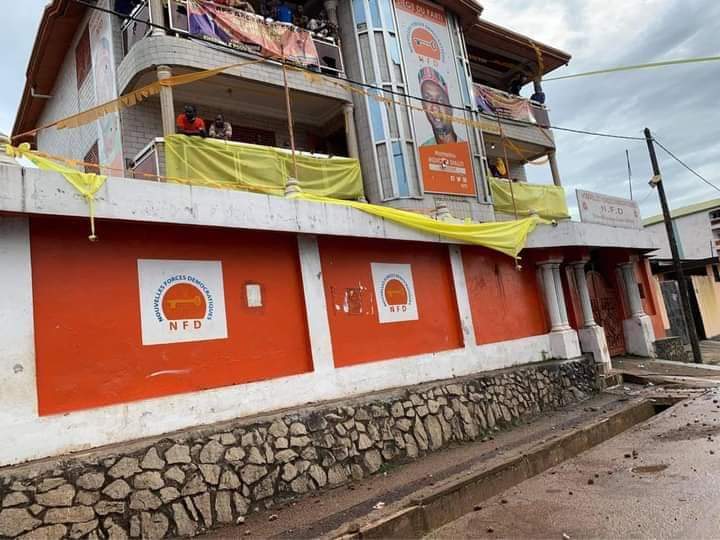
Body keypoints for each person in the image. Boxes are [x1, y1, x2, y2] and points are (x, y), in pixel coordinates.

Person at [418, 67, 459, 146]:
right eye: (428, 99)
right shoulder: (425, 148)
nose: (434, 107)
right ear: (423, 106)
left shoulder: (467, 149)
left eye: (440, 100)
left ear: (450, 109)